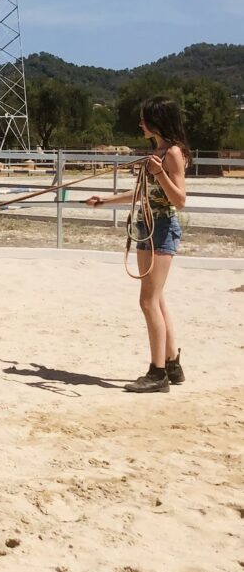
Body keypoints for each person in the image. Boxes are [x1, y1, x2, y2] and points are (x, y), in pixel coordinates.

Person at [86, 96, 190, 394]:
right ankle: (172, 365)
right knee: (156, 300)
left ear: (158, 120)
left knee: (147, 301)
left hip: (162, 229)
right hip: (147, 225)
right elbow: (144, 192)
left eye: (145, 118)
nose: (140, 123)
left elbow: (180, 200)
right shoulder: (157, 152)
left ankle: (157, 373)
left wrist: (159, 172)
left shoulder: (171, 154)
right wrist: (105, 200)